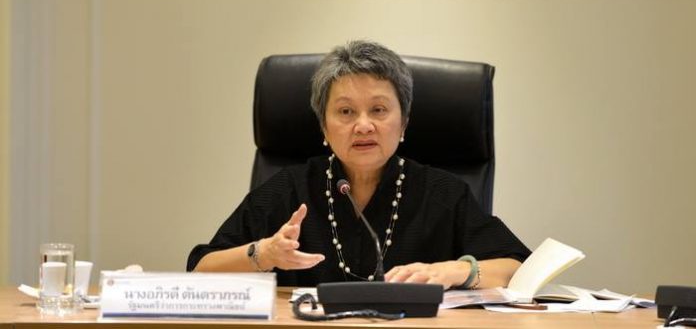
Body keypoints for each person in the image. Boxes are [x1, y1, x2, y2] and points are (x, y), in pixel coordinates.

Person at [187, 40, 530, 289]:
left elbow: (520, 268)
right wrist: (264, 253)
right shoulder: (288, 189)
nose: (363, 125)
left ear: (404, 122)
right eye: (346, 111)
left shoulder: (443, 194)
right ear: (324, 127)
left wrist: (457, 271)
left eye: (378, 110)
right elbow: (200, 269)